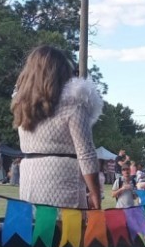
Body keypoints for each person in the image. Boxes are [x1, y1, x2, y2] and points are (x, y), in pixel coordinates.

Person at [12, 45, 101, 209]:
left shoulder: (23, 107)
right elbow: (86, 152)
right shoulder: (74, 105)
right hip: (62, 184)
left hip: (29, 182)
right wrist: (95, 192)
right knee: (67, 231)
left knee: (37, 230)